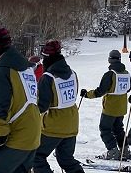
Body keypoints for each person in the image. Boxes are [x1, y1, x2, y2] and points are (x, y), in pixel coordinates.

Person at [0, 27, 41, 173]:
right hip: (34, 134)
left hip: (18, 137)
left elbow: (2, 106)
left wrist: (0, 135)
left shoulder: (3, 71)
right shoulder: (26, 68)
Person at [32, 40, 84, 173]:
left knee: (36, 156)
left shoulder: (48, 77)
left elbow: (42, 106)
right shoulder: (72, 73)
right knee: (66, 159)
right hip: (72, 123)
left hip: (53, 126)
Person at [80, 50, 131, 160]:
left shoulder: (110, 74)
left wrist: (87, 94)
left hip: (110, 108)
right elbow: (128, 88)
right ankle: (125, 150)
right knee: (118, 129)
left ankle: (112, 151)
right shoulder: (126, 73)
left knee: (105, 129)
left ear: (110, 60)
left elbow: (100, 91)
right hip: (122, 107)